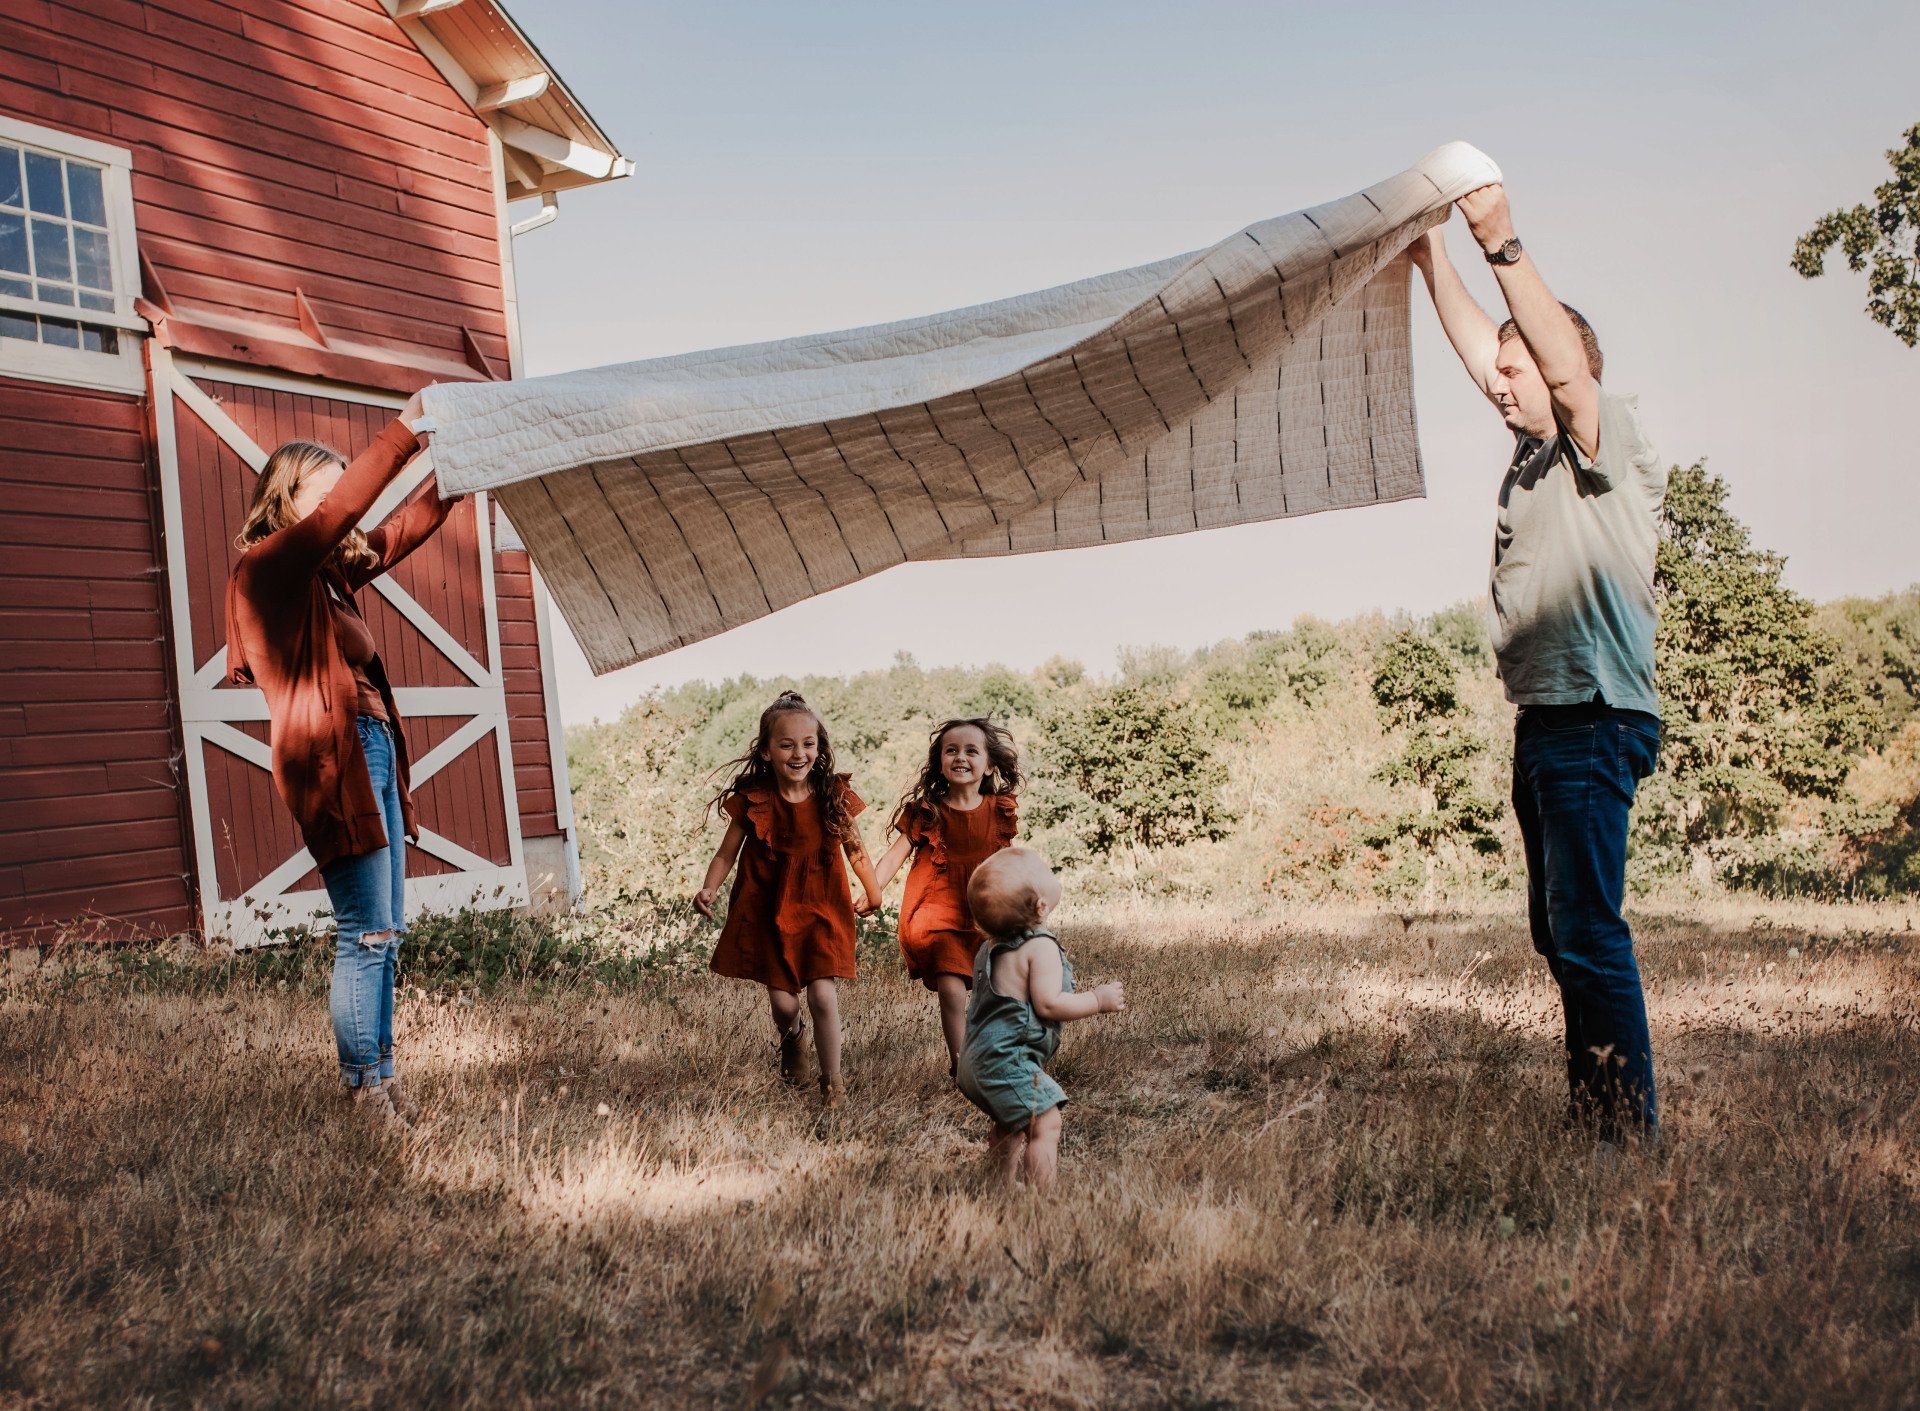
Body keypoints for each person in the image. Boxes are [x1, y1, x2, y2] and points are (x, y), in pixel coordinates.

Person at [1410, 184, 1667, 1145]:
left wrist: (1495, 238)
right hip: (1549, 719)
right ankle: (1594, 1108)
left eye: (1518, 369)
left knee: (1591, 933)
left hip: (1594, 717)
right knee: (1559, 934)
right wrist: (1429, 253)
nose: (1500, 382)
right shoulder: (1527, 454)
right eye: (1501, 372)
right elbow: (1491, 353)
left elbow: (1550, 362)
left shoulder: (1603, 438)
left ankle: (1623, 1134)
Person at [225, 390, 455, 1126]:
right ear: (289, 501)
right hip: (338, 759)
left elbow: (398, 531)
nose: (343, 509)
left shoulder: (327, 580)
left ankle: (383, 1077)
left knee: (389, 928)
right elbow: (346, 515)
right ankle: (363, 1090)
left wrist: (457, 470)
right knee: (366, 928)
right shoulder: (269, 571)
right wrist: (405, 432)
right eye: (327, 492)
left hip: (376, 749)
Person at [694, 691, 884, 1107]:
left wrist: (873, 890)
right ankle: (792, 1038)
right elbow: (726, 853)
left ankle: (833, 1083)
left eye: (808, 743)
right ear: (766, 750)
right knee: (783, 1003)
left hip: (821, 907)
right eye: (786, 744)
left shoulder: (832, 795)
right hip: (767, 908)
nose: (799, 753)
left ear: (820, 747)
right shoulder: (755, 799)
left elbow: (856, 849)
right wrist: (709, 886)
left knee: (822, 994)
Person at [956, 847, 1124, 1188]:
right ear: (1041, 906)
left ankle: (998, 1186)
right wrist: (1097, 1000)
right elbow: (1048, 1004)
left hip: (974, 1060)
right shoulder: (1040, 947)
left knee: (1011, 1123)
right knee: (1044, 1122)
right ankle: (1040, 1199)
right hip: (1005, 1060)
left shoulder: (991, 947)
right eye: (1049, 872)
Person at [872, 718, 1022, 1075]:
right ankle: (962, 1065)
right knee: (951, 988)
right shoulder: (928, 811)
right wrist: (872, 891)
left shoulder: (998, 809)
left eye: (972, 750)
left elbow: (1007, 864)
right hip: (934, 913)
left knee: (1000, 990)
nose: (961, 757)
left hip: (984, 913)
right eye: (951, 750)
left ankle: (1000, 1054)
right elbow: (896, 855)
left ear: (988, 765)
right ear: (939, 761)